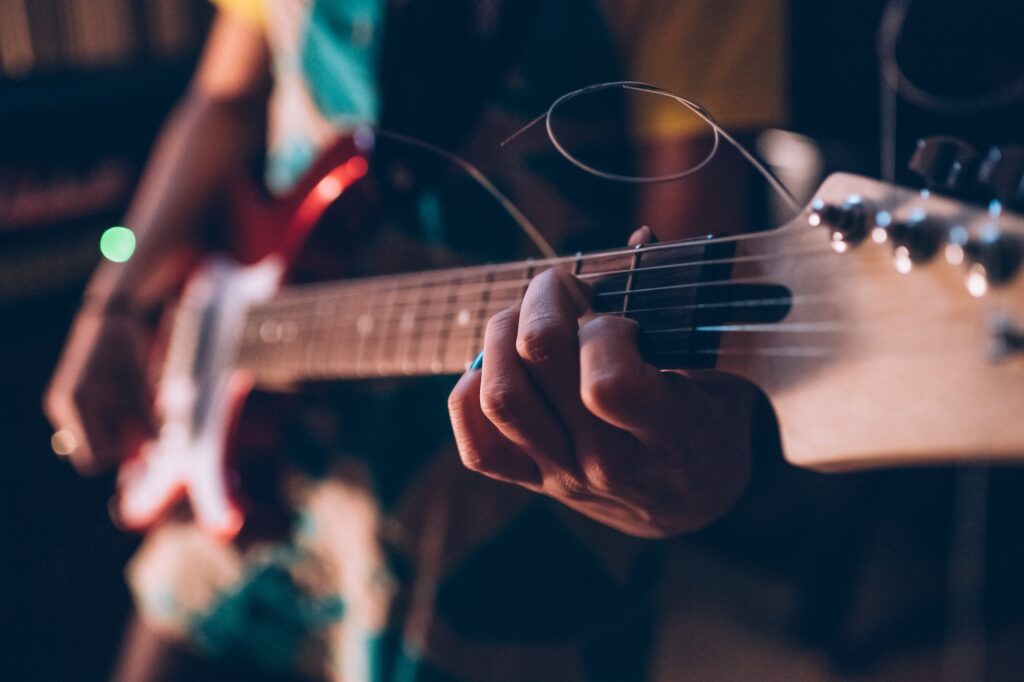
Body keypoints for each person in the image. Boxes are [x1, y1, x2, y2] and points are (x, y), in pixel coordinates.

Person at [43, 1, 786, 680]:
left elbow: (688, 275)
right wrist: (109, 302)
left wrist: (682, 452)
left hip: (504, 499)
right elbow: (223, 97)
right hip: (253, 426)